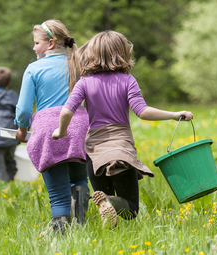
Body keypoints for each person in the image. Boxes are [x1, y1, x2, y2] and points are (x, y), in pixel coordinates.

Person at [52, 30, 194, 228]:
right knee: (131, 209)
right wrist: (174, 114)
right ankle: (110, 203)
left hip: (94, 149)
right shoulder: (128, 81)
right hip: (121, 148)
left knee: (105, 197)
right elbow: (142, 112)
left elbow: (67, 111)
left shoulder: (84, 82)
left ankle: (102, 205)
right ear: (122, 53)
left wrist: (61, 131)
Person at [15, 20, 90, 233]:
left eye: (36, 43)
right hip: (79, 126)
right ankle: (80, 229)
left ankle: (61, 235)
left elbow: (23, 110)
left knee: (58, 193)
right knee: (79, 179)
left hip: (49, 129)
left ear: (50, 44)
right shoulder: (77, 63)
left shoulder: (34, 68)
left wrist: (21, 130)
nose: (33, 47)